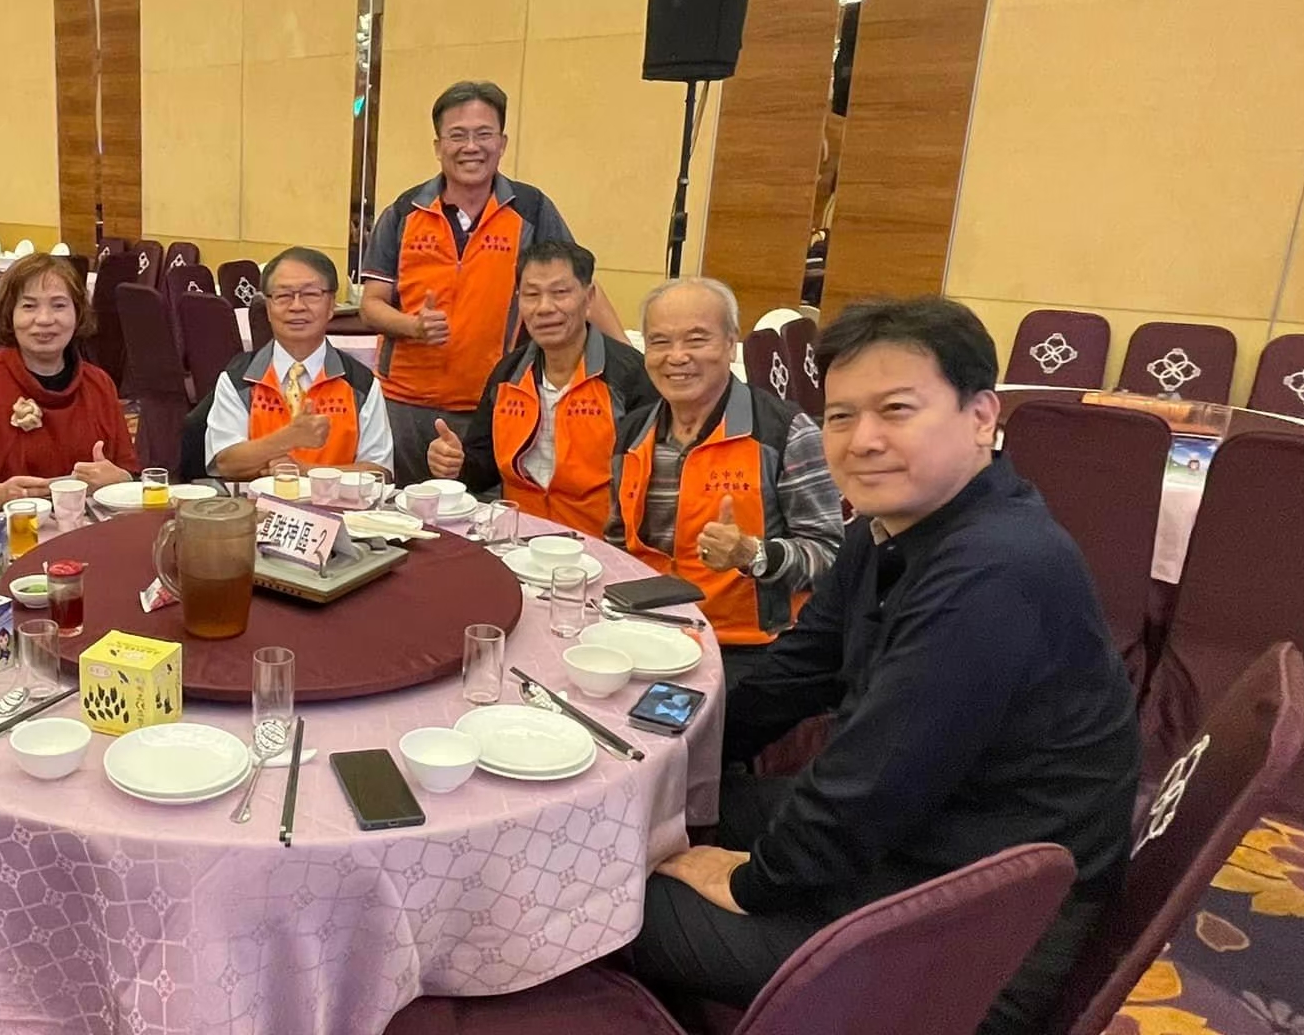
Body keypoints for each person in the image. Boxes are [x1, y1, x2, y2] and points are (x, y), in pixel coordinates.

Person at [628, 297, 1140, 1035]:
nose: (863, 441)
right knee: (656, 806)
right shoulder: (894, 525)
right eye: (841, 416)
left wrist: (749, 880)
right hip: (925, 831)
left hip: (980, 921)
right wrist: (679, 759)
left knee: (615, 903)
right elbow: (799, 669)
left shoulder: (995, 570)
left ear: (981, 416)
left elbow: (867, 784)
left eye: (896, 409)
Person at [360, 80, 629, 485]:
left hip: (495, 401)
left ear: (502, 143)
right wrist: (413, 326)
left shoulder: (531, 209)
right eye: (458, 135)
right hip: (405, 403)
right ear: (438, 146)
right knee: (403, 509)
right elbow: (371, 305)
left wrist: (631, 361)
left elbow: (580, 286)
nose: (471, 146)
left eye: (484, 134)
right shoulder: (404, 211)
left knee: (487, 511)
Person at [605, 278, 841, 674]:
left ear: (732, 345)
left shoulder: (784, 433)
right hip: (647, 632)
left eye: (696, 340)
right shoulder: (633, 432)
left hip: (748, 649)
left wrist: (754, 555)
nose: (676, 357)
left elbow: (831, 556)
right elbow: (617, 540)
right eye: (660, 342)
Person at [425, 241, 654, 533]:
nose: (544, 308)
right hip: (519, 535)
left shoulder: (630, 376)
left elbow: (649, 483)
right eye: (532, 295)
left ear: (589, 298)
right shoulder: (508, 374)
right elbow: (482, 471)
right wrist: (456, 461)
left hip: (600, 540)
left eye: (560, 293)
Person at [0, 253, 135, 512]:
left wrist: (121, 480)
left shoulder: (100, 385)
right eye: (29, 306)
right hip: (9, 529)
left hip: (89, 526)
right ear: (9, 315)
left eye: (59, 305)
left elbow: (132, 474)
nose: (45, 319)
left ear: (78, 313)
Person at [203, 247, 392, 479]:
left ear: (331, 305)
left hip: (337, 502)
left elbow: (378, 472)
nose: (296, 306)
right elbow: (225, 463)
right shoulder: (237, 379)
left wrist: (305, 472)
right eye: (283, 296)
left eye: (311, 294)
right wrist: (289, 438)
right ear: (268, 308)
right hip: (254, 502)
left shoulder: (361, 384)